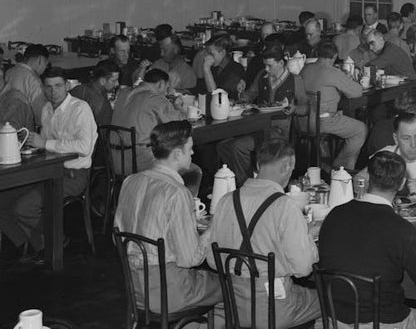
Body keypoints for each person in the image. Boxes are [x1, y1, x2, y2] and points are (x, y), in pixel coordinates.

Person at [318, 151, 416, 329]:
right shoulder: (401, 229)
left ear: (369, 177)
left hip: (333, 320)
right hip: (382, 322)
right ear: (402, 183)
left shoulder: (335, 214)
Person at [207, 140, 320, 328]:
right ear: (287, 166)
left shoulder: (227, 200)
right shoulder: (285, 206)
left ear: (258, 165)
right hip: (275, 307)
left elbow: (212, 259)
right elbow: (303, 268)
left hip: (233, 304)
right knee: (330, 299)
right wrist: (307, 238)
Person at [114, 121, 221, 314]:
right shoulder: (177, 192)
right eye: (190, 148)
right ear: (177, 154)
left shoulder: (130, 181)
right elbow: (191, 259)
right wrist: (212, 227)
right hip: (169, 292)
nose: (193, 153)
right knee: (231, 286)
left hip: (135, 288)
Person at [0, 67, 96, 264]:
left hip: (73, 174)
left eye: (58, 86)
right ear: (43, 88)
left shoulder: (80, 108)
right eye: (49, 87)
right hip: (48, 171)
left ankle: (57, 240)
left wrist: (45, 144)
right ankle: (31, 244)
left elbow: (84, 147)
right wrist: (30, 147)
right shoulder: (47, 109)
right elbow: (43, 144)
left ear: (67, 86)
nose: (53, 91)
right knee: (3, 201)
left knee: (23, 207)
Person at [221, 45, 309, 185]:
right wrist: (241, 92)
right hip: (257, 126)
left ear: (281, 63)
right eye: (265, 65)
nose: (266, 69)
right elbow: (249, 96)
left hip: (279, 131)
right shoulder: (262, 75)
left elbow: (305, 107)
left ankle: (246, 184)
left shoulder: (294, 80)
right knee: (223, 145)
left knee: (238, 146)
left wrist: (295, 109)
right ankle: (247, 178)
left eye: (270, 66)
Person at [300, 42, 367, 170]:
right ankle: (340, 168)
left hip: (303, 121)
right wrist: (347, 78)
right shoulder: (333, 72)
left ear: (317, 54)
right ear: (335, 56)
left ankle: (327, 161)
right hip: (323, 121)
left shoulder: (306, 68)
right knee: (360, 129)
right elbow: (356, 92)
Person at [4, 43, 49, 125]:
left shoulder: (8, 72)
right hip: (23, 129)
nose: (45, 69)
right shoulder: (34, 80)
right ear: (40, 60)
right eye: (45, 64)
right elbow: (41, 115)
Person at [70, 59, 120, 126]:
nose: (117, 84)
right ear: (102, 80)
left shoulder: (77, 89)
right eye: (113, 81)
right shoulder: (101, 103)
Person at [201, 34, 246, 100]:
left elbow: (217, 97)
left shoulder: (236, 69)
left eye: (211, 53)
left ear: (222, 53)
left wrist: (207, 70)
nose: (207, 56)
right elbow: (200, 88)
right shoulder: (214, 67)